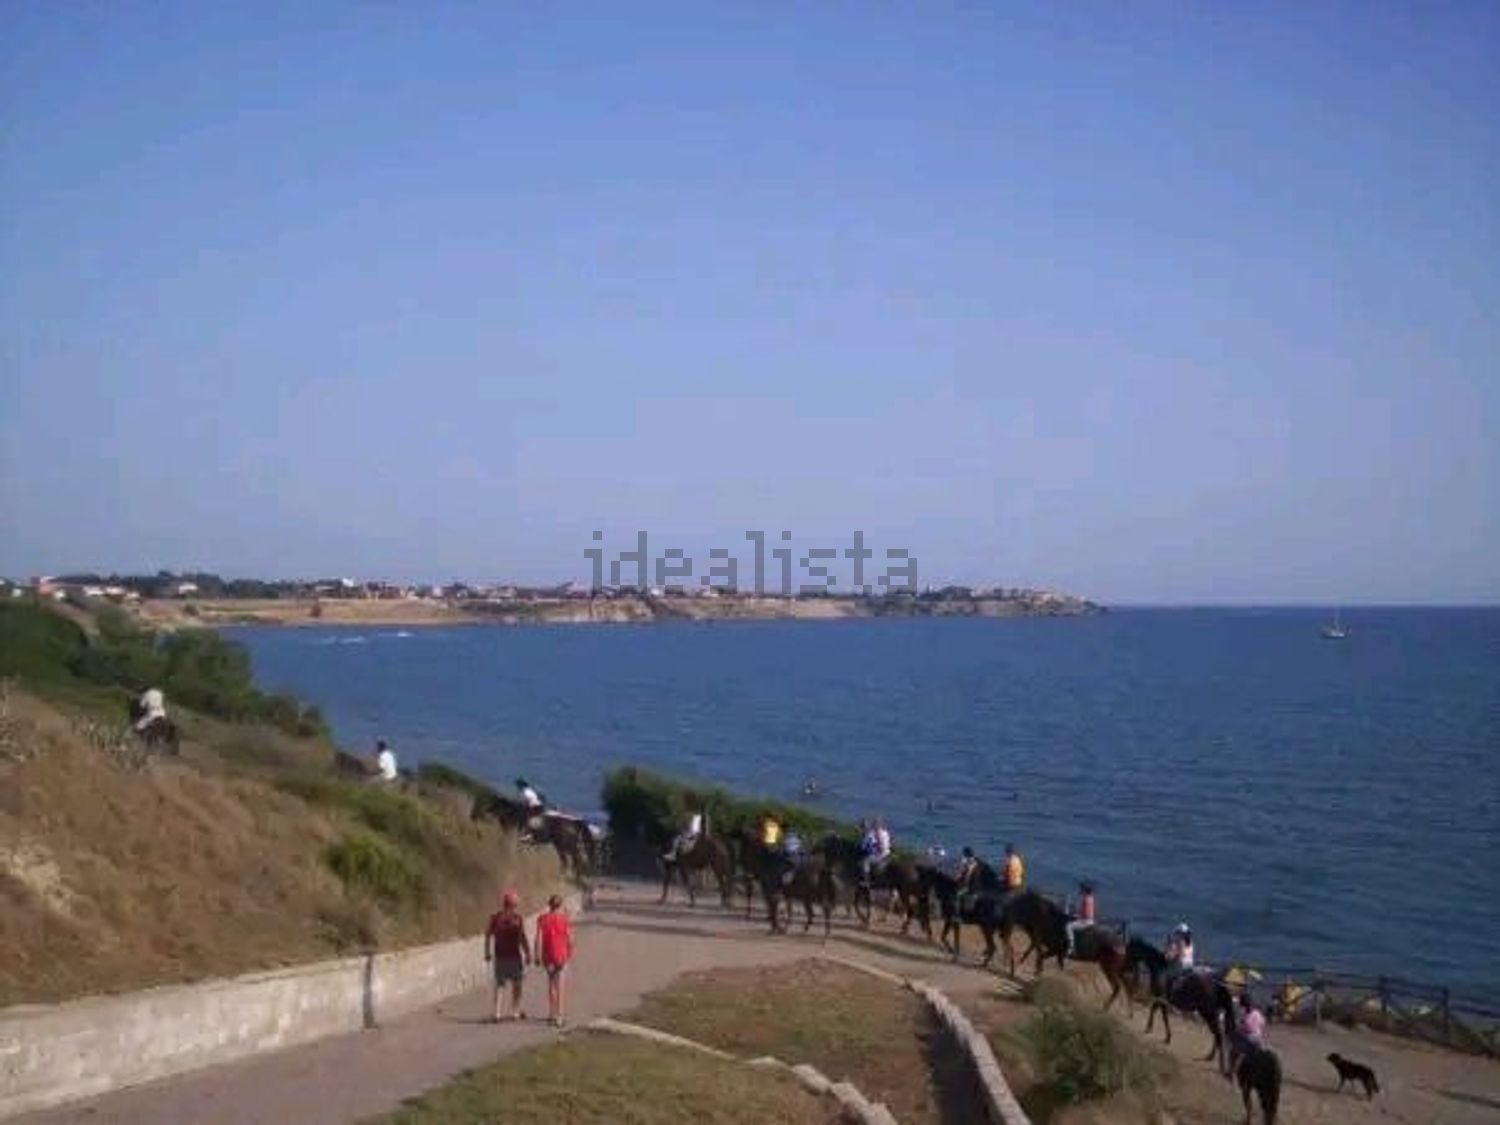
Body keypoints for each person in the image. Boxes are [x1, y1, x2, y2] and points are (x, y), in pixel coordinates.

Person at [484, 890, 530, 1022]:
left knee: (500, 985)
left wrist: (487, 952)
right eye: (516, 903)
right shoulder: (518, 918)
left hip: (500, 956)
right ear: (513, 904)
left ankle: (497, 1013)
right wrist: (527, 953)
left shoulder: (495, 917)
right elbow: (522, 937)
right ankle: (515, 1011)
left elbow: (487, 935)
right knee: (517, 984)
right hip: (514, 956)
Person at [534, 893, 573, 1027]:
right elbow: (570, 938)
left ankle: (551, 1014)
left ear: (549, 905)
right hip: (561, 955)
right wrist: (569, 953)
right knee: (560, 985)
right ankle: (560, 1016)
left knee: (551, 984)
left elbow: (538, 938)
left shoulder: (542, 919)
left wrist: (537, 955)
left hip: (548, 956)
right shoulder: (564, 919)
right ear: (560, 905)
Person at [1065, 881, 1097, 955]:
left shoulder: (1085, 899)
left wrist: (1076, 915)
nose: (1081, 891)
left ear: (1084, 891)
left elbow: (1085, 913)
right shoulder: (1091, 898)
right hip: (1090, 920)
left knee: (1068, 926)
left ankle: (1071, 946)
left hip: (1085, 921)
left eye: (1082, 890)